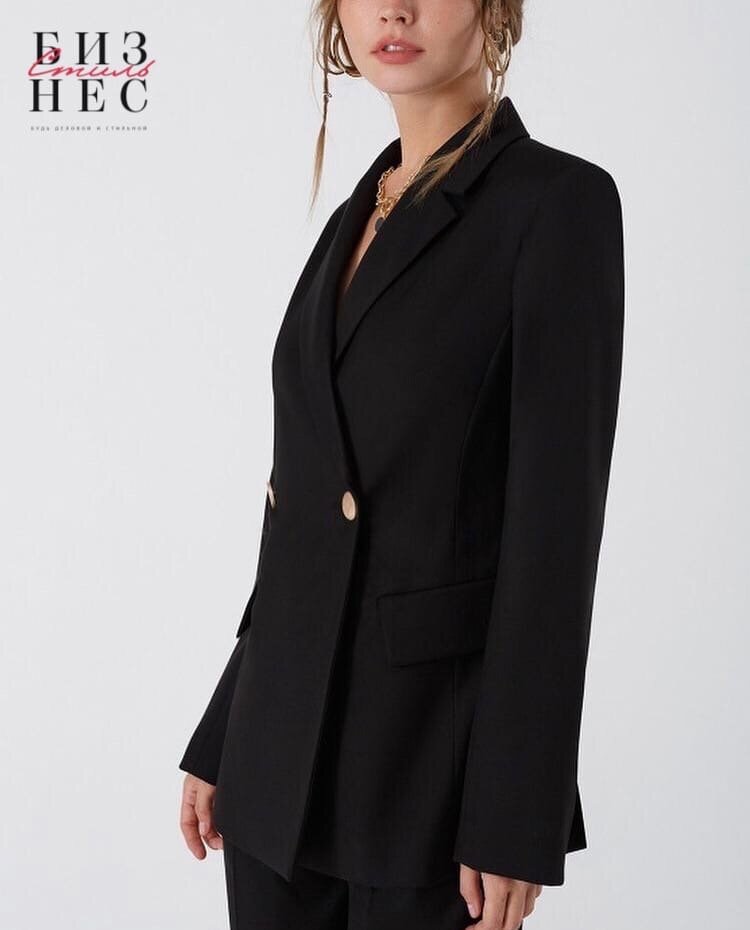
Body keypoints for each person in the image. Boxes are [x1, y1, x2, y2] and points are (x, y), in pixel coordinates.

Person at [177, 1, 625, 928]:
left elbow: (556, 535)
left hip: (427, 775)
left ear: (497, 9)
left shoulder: (557, 203)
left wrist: (517, 812)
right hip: (276, 764)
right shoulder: (360, 210)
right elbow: (303, 506)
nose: (395, 8)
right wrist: (226, 726)